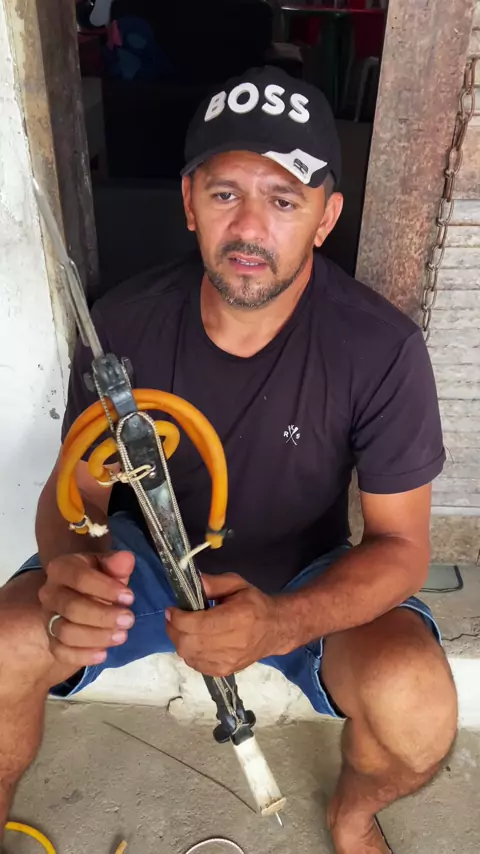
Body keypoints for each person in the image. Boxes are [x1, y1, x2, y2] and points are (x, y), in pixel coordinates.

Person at [0, 67, 457, 854]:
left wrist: (281, 621)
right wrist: (72, 565)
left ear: (325, 217)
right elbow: (75, 490)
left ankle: (351, 819)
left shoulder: (380, 348)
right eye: (224, 194)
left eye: (283, 200)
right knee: (5, 643)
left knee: (417, 706)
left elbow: (403, 549)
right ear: (189, 202)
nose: (249, 228)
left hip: (303, 579)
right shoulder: (124, 325)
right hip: (147, 569)